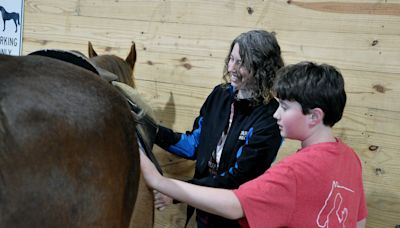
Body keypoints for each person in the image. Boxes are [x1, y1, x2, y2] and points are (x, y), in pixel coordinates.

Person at [140, 61, 368, 227]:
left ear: (314, 116)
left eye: (285, 108)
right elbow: (358, 221)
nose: (276, 114)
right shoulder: (349, 158)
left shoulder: (294, 172)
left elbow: (234, 205)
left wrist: (158, 181)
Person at [154, 30, 284, 227]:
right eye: (231, 59)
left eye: (240, 62)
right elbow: (193, 146)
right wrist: (151, 130)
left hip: (237, 218)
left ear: (260, 67)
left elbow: (235, 179)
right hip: (204, 211)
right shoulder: (219, 95)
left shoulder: (270, 118)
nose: (231, 67)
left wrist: (177, 193)